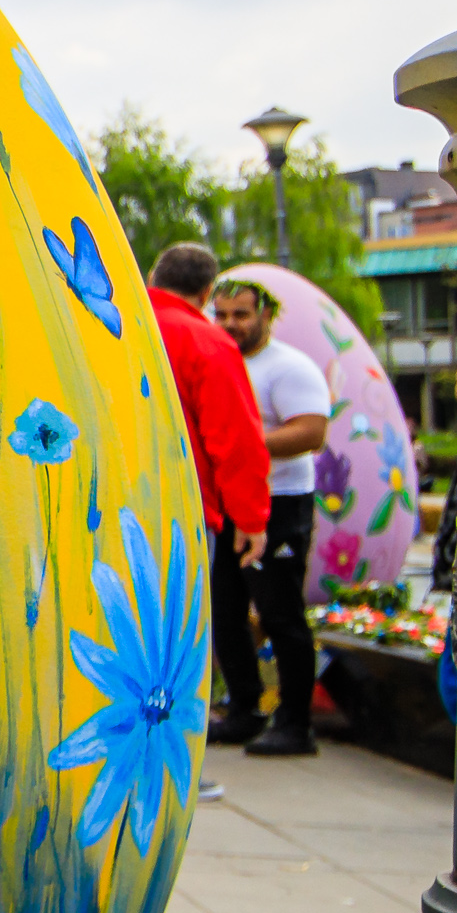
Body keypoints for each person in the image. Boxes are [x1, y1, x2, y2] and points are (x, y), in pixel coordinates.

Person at [144, 244, 275, 743]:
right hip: (185, 512)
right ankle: (174, 762)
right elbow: (235, 440)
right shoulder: (207, 343)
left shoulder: (106, 323)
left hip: (104, 504)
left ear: (154, 276)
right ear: (205, 293)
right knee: (178, 640)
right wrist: (253, 518)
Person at [211, 277, 333, 757]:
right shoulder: (223, 361)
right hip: (229, 504)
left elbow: (311, 433)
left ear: (266, 315)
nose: (229, 325)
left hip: (280, 502)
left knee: (281, 615)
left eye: (240, 315)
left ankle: (296, 723)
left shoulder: (289, 367)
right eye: (220, 315)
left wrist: (240, 441)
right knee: (226, 612)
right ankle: (244, 709)